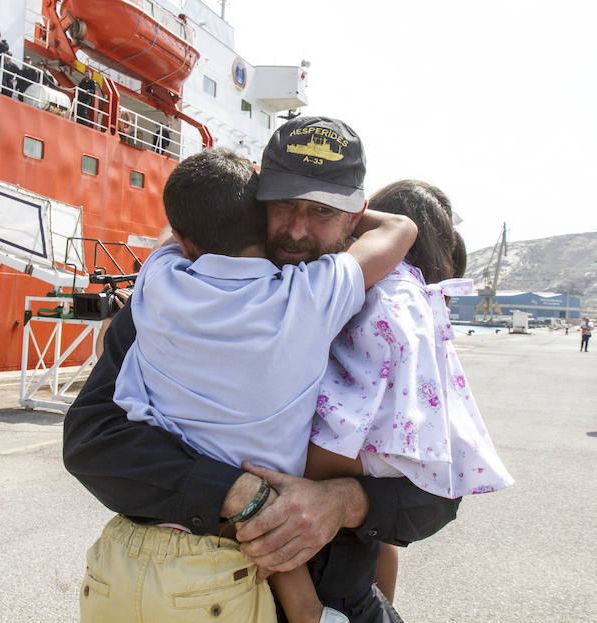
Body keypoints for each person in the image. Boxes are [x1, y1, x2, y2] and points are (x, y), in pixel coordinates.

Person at [65, 117, 463, 623]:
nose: (297, 230)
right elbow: (92, 441)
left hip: (345, 600)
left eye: (322, 211)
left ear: (354, 216)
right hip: (200, 597)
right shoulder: (174, 307)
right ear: (257, 202)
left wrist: (342, 503)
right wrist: (238, 492)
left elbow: (441, 489)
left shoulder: (401, 319)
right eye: (284, 206)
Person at [306, 180, 514, 604]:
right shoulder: (420, 294)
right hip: (400, 461)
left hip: (352, 447)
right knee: (378, 545)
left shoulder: (374, 286)